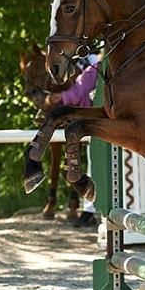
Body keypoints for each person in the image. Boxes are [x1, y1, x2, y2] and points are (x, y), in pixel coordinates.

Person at [45, 53, 100, 226]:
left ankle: (88, 209)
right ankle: (88, 210)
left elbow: (82, 86)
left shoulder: (95, 62)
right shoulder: (90, 62)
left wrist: (62, 97)